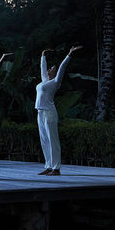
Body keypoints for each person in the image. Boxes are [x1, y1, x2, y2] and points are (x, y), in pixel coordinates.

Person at [35, 45, 81, 176]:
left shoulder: (55, 82)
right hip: (40, 112)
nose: (50, 69)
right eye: (50, 68)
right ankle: (49, 166)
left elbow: (62, 68)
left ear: (55, 73)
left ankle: (56, 168)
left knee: (52, 139)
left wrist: (69, 54)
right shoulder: (44, 81)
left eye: (52, 68)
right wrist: (43, 55)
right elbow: (42, 68)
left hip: (49, 112)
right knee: (44, 140)